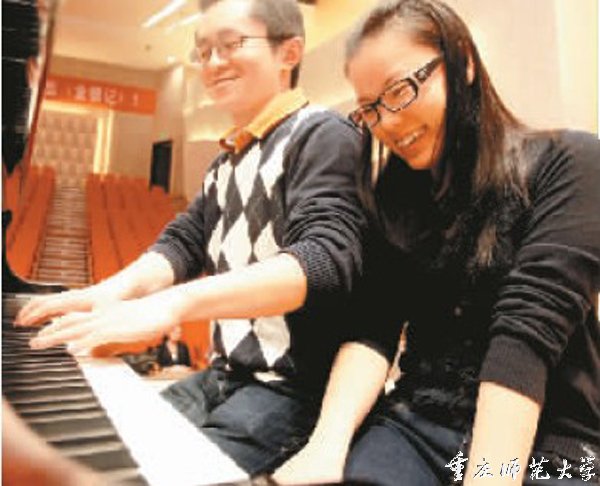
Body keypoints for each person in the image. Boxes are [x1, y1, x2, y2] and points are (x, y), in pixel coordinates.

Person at [17, 0, 366, 476]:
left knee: (149, 472)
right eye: (203, 52)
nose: (213, 63)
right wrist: (102, 293)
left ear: (289, 52)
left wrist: (171, 306)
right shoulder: (226, 160)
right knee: (101, 444)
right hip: (223, 377)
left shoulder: (324, 135)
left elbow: (322, 260)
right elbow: (182, 244)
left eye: (231, 44)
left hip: (289, 391)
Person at [274, 1, 600, 485]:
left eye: (400, 90)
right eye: (370, 109)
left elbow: (526, 336)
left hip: (546, 442)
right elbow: (372, 328)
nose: (388, 122)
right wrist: (327, 446)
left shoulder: (572, 162)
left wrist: (488, 476)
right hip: (419, 426)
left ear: (462, 61)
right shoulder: (394, 198)